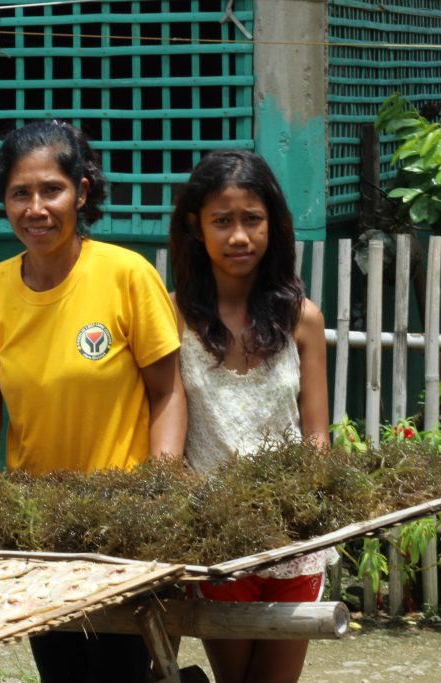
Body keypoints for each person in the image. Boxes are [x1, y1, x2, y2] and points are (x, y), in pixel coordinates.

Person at [0, 120, 186, 683]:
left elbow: (168, 393)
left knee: (122, 673)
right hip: (39, 535)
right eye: (20, 193)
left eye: (51, 190)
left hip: (124, 531)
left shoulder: (127, 275)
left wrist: (155, 493)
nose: (35, 208)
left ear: (81, 193)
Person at [168, 149, 331, 683]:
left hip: (294, 542)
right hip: (216, 544)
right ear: (195, 228)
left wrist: (304, 513)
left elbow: (317, 436)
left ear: (273, 225)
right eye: (222, 221)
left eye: (252, 219)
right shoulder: (171, 317)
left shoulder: (303, 319)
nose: (239, 236)